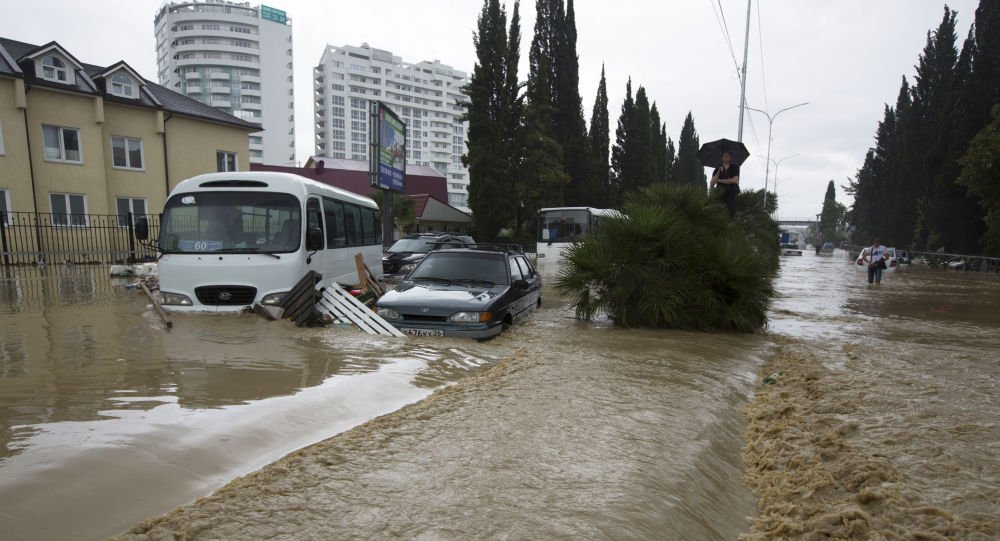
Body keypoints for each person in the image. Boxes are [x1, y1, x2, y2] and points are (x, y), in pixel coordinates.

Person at [710, 150, 740, 219]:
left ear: (730, 158)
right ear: (721, 158)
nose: (726, 157)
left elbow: (734, 180)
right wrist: (718, 172)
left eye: (727, 156)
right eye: (724, 156)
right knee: (719, 214)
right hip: (720, 194)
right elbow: (712, 183)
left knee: (730, 214)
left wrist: (720, 180)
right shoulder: (717, 169)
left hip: (731, 194)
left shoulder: (735, 167)